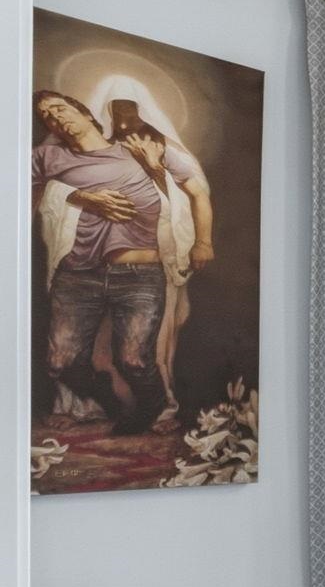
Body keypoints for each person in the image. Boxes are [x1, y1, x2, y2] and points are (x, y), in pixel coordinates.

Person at [28, 89, 202, 433]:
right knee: (61, 361)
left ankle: (149, 408)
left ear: (86, 114)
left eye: (61, 108)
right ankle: (104, 397)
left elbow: (194, 189)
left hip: (139, 273)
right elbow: (16, 191)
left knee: (135, 360)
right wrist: (79, 197)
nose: (55, 117)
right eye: (46, 116)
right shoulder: (47, 157)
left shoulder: (138, 149)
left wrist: (204, 241)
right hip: (78, 273)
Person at [105, 100, 213, 411]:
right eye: (117, 114)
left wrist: (203, 242)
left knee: (154, 332)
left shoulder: (163, 149)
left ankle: (160, 401)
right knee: (110, 333)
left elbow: (195, 195)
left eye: (130, 113)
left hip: (157, 255)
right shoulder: (99, 148)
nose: (124, 123)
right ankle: (113, 404)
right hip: (111, 253)